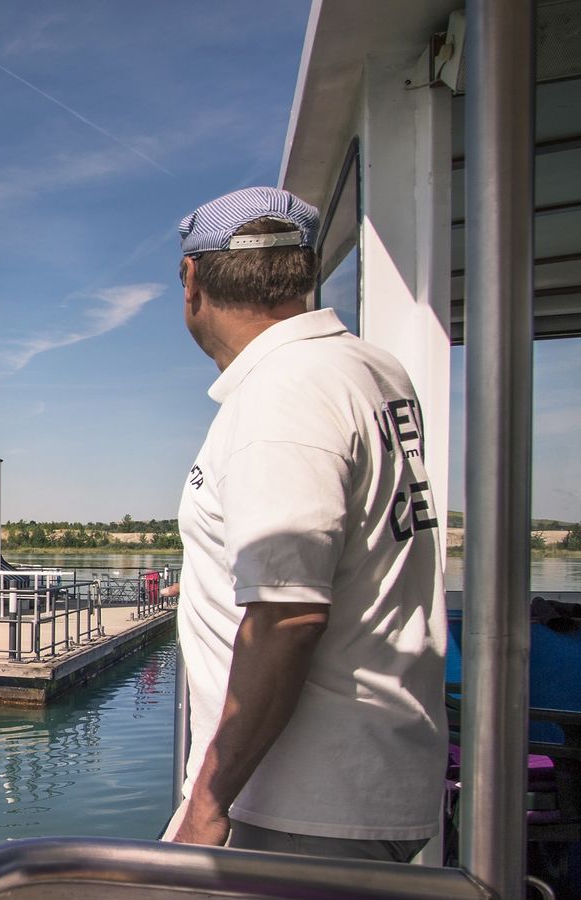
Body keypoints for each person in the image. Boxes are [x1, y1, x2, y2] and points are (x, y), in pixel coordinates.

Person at [166, 186, 446, 862]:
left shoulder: (285, 392)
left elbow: (288, 616)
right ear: (306, 271)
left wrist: (207, 802)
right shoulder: (370, 369)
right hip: (351, 787)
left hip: (299, 804)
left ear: (193, 279)